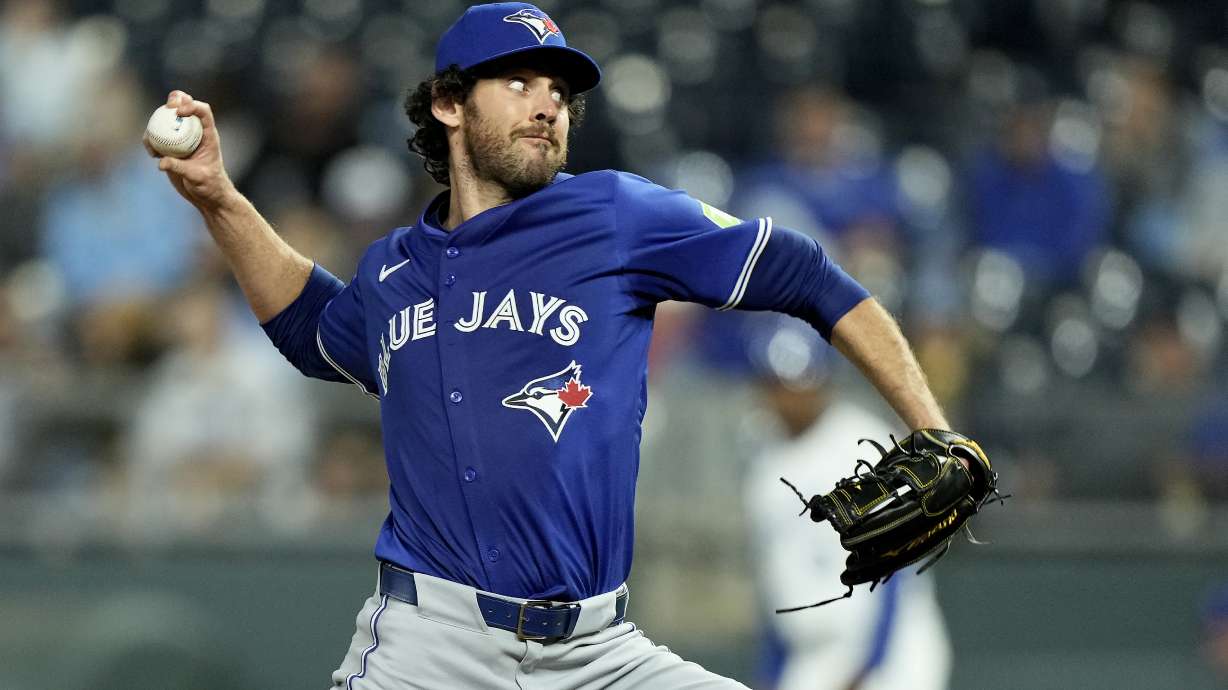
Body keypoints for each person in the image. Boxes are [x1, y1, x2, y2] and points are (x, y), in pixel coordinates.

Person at [146, 3, 961, 687]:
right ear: (449, 103)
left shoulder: (615, 215)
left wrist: (934, 429)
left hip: (598, 651)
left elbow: (813, 278)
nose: (547, 104)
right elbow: (314, 331)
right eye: (518, 82)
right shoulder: (394, 270)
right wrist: (218, 198)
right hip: (430, 651)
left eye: (560, 92)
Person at [741, 315, 951, 690]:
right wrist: (771, 671)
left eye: (799, 383)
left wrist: (869, 668)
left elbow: (895, 569)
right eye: (776, 385)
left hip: (894, 649)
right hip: (811, 655)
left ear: (822, 381)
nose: (786, 397)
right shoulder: (763, 462)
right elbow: (773, 584)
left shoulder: (863, 446)